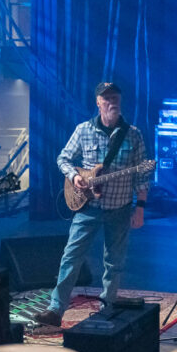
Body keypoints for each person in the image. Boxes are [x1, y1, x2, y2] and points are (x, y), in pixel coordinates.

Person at [34, 82, 149, 328]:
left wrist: (140, 207)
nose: (112, 102)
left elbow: (142, 175)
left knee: (115, 261)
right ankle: (56, 310)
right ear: (98, 103)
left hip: (119, 208)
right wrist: (75, 177)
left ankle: (108, 306)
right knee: (71, 257)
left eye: (115, 97)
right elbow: (63, 158)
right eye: (106, 98)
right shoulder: (83, 130)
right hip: (87, 208)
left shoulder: (133, 134)